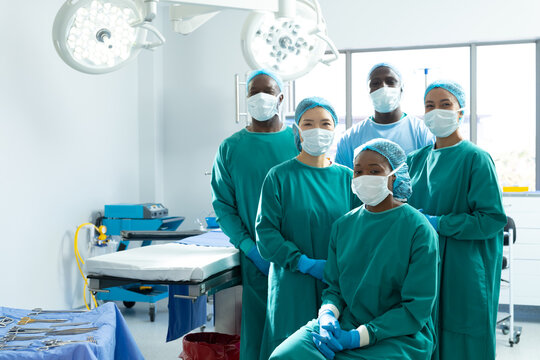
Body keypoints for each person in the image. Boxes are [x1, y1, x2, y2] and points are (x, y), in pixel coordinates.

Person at [269, 138, 439, 360]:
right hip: (346, 322)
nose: (364, 176)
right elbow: (335, 289)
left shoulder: (418, 229)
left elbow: (415, 310)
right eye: (358, 171)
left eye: (374, 170)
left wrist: (357, 337)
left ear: (394, 176)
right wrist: (328, 315)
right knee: (284, 355)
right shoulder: (344, 226)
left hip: (399, 335)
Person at [407, 80, 507, 360]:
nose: (436, 111)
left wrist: (440, 223)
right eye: (429, 105)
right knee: (425, 332)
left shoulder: (476, 158)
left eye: (445, 104)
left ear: (460, 112)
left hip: (465, 266)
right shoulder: (415, 160)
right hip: (424, 264)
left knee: (464, 335)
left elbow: (491, 219)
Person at [256, 97, 360, 359]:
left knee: (333, 347)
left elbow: (363, 230)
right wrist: (303, 262)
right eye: (308, 123)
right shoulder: (279, 177)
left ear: (335, 130)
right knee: (290, 348)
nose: (317, 130)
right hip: (292, 284)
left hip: (338, 285)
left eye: (325, 123)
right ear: (297, 130)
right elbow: (266, 234)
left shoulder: (348, 179)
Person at [211, 69, 299, 360]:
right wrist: (249, 247)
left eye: (268, 91)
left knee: (301, 332)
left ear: (281, 97)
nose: (261, 97)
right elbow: (223, 205)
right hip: (256, 261)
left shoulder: (300, 141)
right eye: (253, 92)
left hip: (301, 255)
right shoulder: (230, 149)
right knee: (260, 334)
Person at [335, 63, 434, 169]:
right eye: (375, 83)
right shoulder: (350, 138)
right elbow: (343, 181)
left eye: (390, 82)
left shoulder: (422, 132)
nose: (383, 87)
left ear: (401, 88)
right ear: (369, 91)